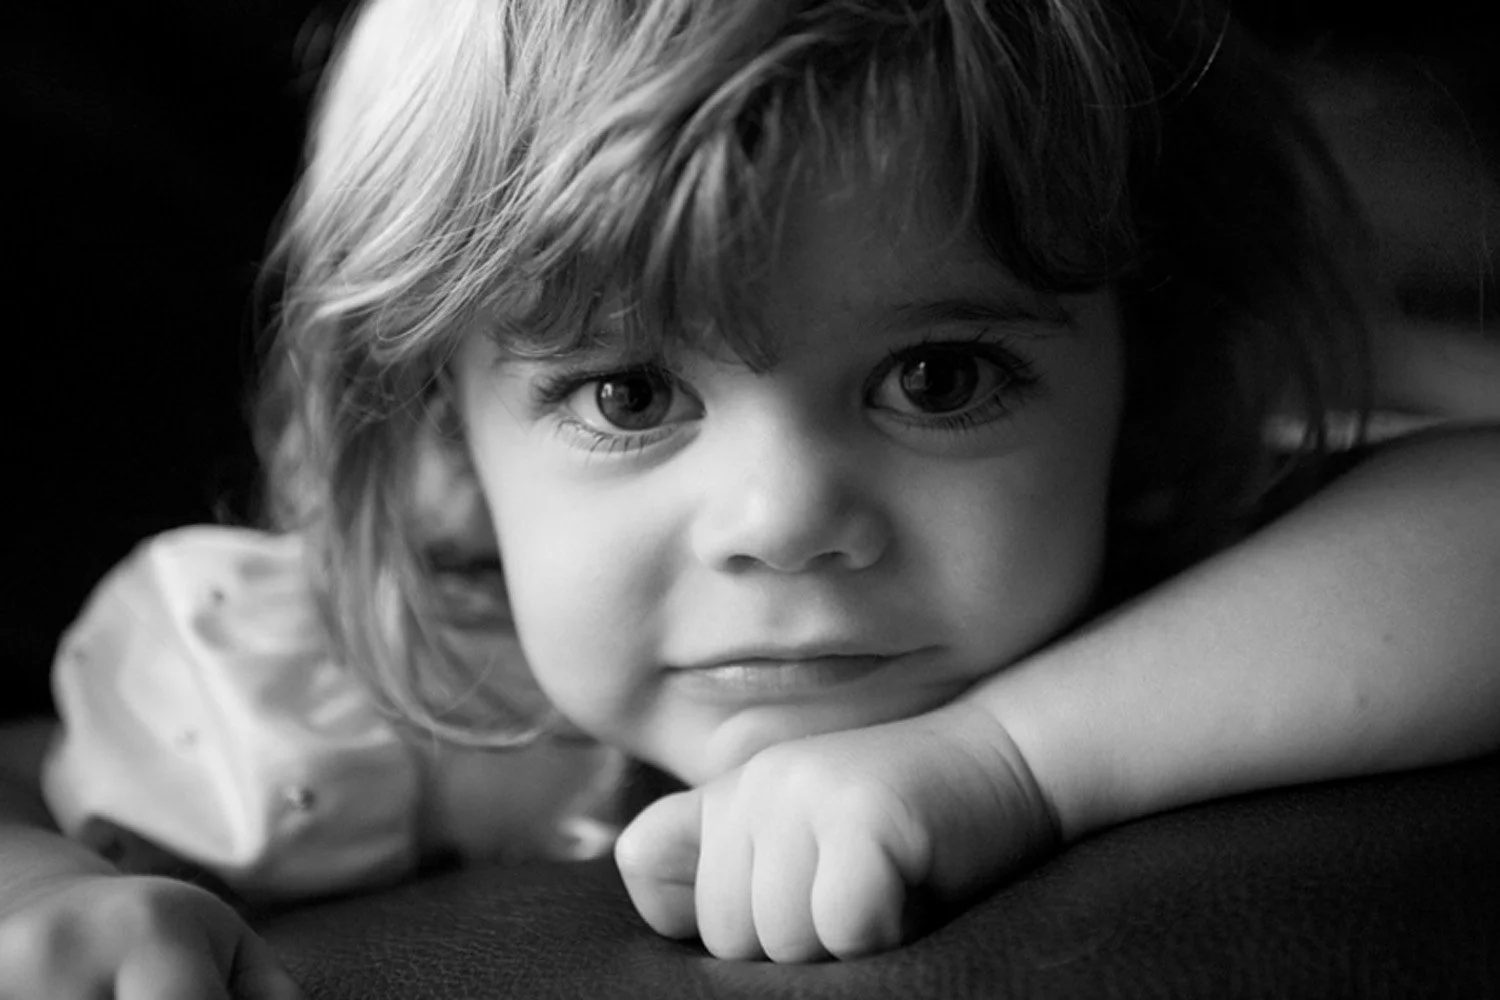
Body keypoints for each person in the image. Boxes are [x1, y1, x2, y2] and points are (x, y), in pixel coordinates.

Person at [3, 0, 1499, 993]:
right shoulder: (348, 695)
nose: (785, 518)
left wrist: (1004, 764)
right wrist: (35, 888)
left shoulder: (1167, 562)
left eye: (941, 378)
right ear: (445, 450)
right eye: (632, 396)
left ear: (1146, 376)